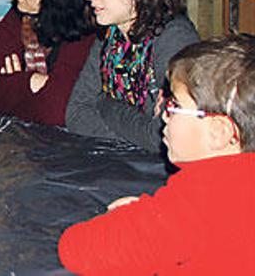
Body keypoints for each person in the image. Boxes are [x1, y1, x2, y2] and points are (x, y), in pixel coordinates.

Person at [58, 35, 255, 274]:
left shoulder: (196, 202)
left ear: (218, 133)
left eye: (174, 106)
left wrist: (136, 219)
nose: (163, 114)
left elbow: (79, 249)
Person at [65, 0, 199, 151]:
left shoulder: (174, 39)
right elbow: (76, 114)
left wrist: (105, 104)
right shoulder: (110, 34)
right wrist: (137, 133)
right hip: (120, 163)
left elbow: (164, 138)